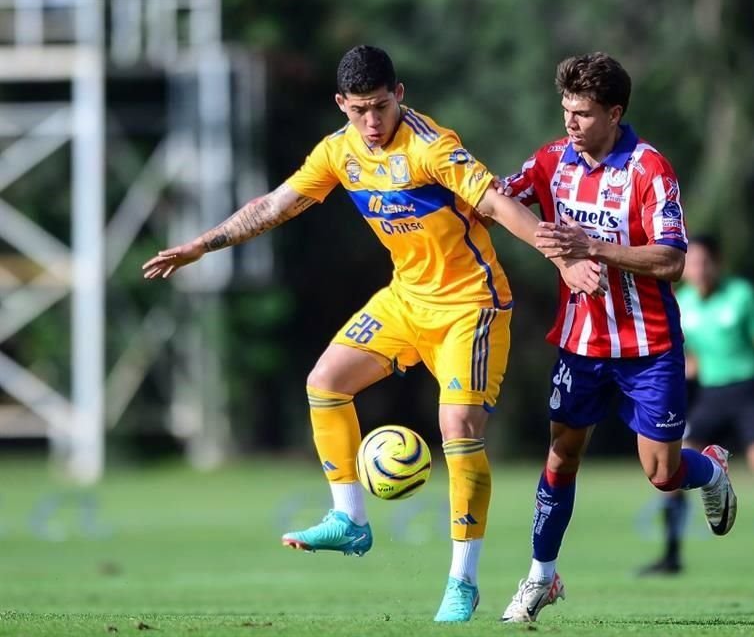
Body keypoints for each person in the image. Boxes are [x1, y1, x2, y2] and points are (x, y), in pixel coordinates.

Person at [142, 45, 602, 623]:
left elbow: (498, 204)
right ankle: (349, 519)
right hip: (405, 300)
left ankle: (462, 581)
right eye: (359, 110)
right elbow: (274, 205)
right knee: (325, 382)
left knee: (457, 427)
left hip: (470, 307)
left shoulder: (432, 147)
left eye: (381, 107)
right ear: (342, 105)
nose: (372, 121)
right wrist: (199, 246)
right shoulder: (339, 151)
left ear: (399, 95)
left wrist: (559, 259)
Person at [492, 53, 738, 624]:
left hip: (649, 347)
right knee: (561, 453)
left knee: (661, 473)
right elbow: (498, 199)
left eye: (581, 113)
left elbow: (673, 259)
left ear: (614, 112)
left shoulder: (651, 169)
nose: (570, 122)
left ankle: (711, 471)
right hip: (580, 343)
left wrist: (592, 247)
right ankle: (540, 578)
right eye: (565, 110)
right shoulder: (552, 160)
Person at [637, 235, 754, 576]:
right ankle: (671, 555)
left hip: (750, 394)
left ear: (717, 264)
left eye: (705, 262)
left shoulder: (742, 296)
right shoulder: (682, 302)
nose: (699, 269)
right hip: (710, 396)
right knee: (670, 466)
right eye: (692, 263)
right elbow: (689, 360)